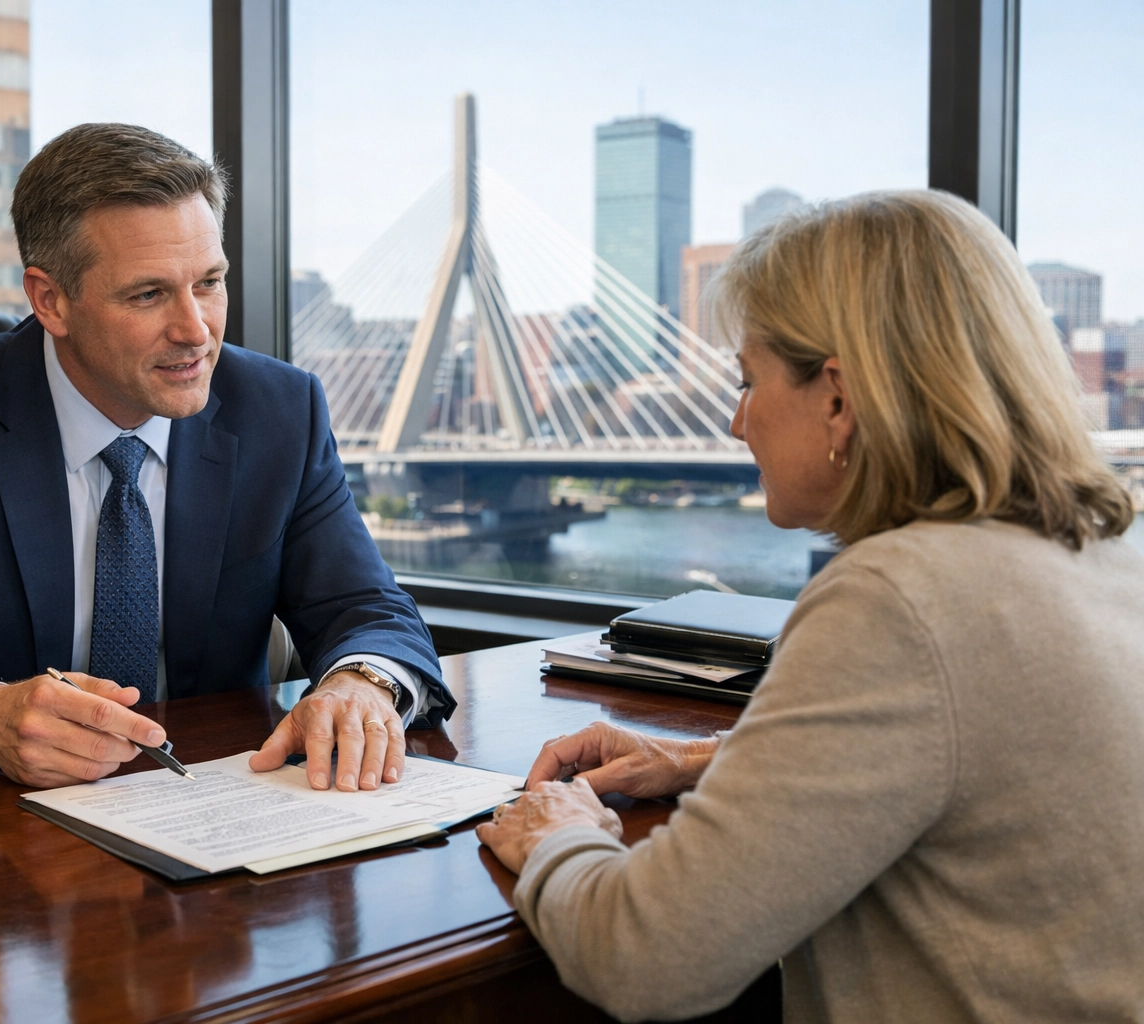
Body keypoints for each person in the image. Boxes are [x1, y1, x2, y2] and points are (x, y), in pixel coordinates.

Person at [478, 190, 1144, 1022]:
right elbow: (971, 760)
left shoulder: (896, 597)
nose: (733, 422)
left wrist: (555, 835)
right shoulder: (1103, 556)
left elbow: (647, 957)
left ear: (836, 397)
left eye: (749, 380)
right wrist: (701, 760)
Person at [0, 123, 453, 790]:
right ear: (50, 300)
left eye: (208, 282)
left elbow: (367, 607)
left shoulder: (279, 409)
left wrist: (365, 683)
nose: (195, 331)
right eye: (148, 294)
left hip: (219, 812)